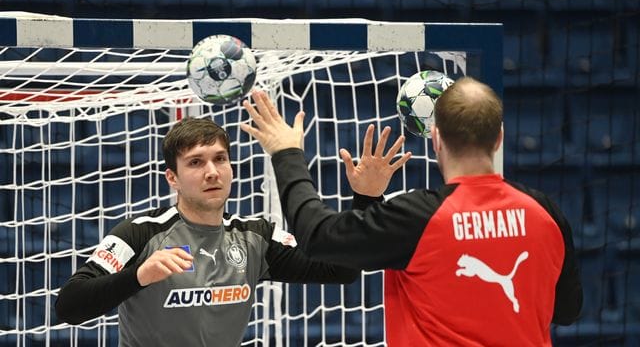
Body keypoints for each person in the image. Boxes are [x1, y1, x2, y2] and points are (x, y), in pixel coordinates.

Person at [240, 80, 583, 346]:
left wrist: (286, 153)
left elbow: (317, 237)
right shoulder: (545, 211)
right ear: (499, 139)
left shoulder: (419, 218)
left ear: (435, 138)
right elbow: (567, 311)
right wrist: (367, 198)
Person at [55, 117, 360, 346]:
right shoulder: (140, 234)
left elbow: (341, 270)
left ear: (231, 168)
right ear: (172, 178)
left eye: (220, 159)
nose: (212, 171)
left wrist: (366, 197)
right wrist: (139, 276)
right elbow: (69, 305)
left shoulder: (255, 237)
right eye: (196, 162)